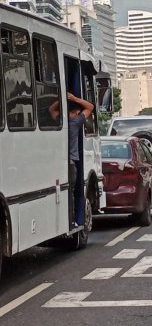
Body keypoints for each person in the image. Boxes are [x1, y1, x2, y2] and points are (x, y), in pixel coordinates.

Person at [49, 92, 94, 226]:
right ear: (74, 113)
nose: (79, 114)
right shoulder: (75, 122)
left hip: (59, 163)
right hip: (71, 163)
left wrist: (60, 99)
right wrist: (74, 98)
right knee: (71, 193)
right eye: (78, 113)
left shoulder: (59, 122)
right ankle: (72, 220)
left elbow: (51, 109)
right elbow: (90, 107)